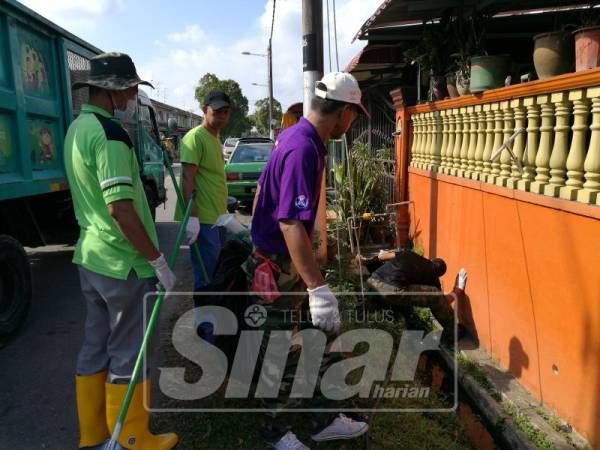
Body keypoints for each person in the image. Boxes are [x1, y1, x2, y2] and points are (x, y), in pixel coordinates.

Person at [245, 72, 370, 450]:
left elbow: (260, 196)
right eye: (354, 116)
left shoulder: (298, 137)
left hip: (282, 263)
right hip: (278, 265)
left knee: (316, 338)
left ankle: (323, 417)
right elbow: (289, 223)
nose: (351, 124)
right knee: (277, 346)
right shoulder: (302, 147)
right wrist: (317, 287)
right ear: (344, 112)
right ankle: (275, 432)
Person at [64, 53, 178, 449]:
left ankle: (93, 434)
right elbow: (120, 209)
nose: (132, 94)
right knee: (130, 351)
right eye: (130, 87)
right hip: (123, 264)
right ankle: (131, 438)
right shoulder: (110, 135)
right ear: (112, 90)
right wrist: (156, 260)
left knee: (95, 347)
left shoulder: (77, 128)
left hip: (91, 258)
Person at [176, 91, 231, 291]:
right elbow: (188, 178)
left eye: (225, 112)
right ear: (204, 110)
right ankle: (205, 322)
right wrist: (192, 218)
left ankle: (214, 317)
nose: (221, 117)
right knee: (207, 275)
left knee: (216, 272)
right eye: (216, 112)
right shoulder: (195, 137)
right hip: (203, 219)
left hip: (218, 216)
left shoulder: (214, 138)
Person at [366, 249, 468, 343]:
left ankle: (373, 316)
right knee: (434, 295)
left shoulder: (409, 253)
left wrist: (371, 261)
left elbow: (383, 256)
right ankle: (453, 333)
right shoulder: (432, 276)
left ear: (431, 260)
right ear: (438, 275)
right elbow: (442, 301)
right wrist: (457, 290)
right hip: (391, 289)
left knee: (406, 293)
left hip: (372, 281)